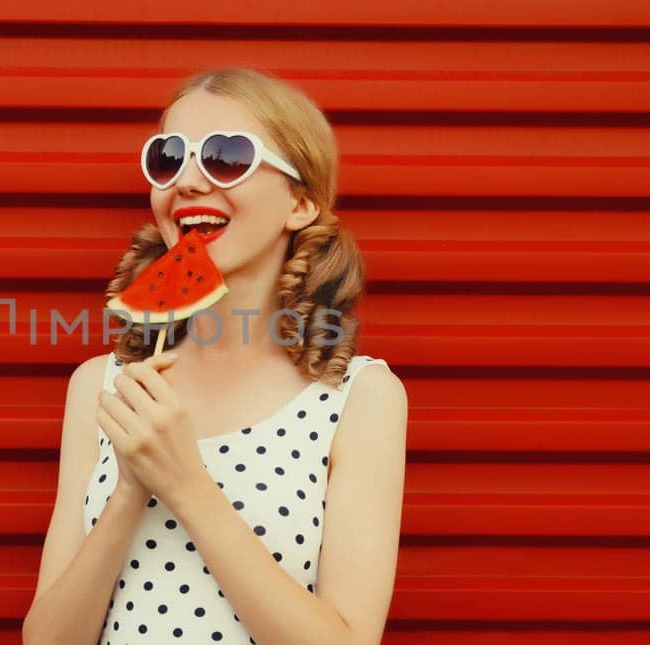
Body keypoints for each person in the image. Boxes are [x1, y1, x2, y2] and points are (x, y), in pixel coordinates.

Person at [23, 67, 407, 644]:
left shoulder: (359, 397)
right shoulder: (101, 386)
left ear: (299, 203)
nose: (188, 182)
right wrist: (130, 489)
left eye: (228, 157)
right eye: (169, 158)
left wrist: (184, 482)